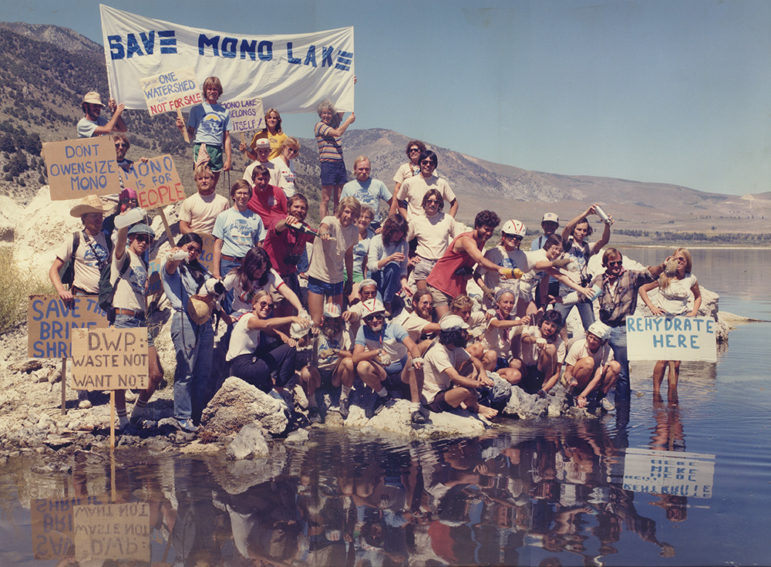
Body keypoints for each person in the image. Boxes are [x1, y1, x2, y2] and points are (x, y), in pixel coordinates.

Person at [49, 195, 112, 409]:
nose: (98, 220)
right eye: (94, 216)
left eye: (100, 216)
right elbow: (53, 269)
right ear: (84, 218)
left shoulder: (108, 239)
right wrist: (61, 291)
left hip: (102, 300)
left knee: (102, 345)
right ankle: (82, 392)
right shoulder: (74, 239)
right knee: (81, 346)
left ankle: (99, 386)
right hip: (82, 298)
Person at [592, 247, 666, 402]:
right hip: (603, 328)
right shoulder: (599, 279)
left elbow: (649, 274)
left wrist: (662, 267)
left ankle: (623, 410)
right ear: (606, 264)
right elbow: (587, 296)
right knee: (597, 365)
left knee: (623, 372)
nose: (617, 265)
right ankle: (596, 398)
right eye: (613, 263)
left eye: (619, 262)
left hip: (623, 329)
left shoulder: (631, 276)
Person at [111, 222, 163, 432]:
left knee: (156, 373)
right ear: (131, 239)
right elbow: (120, 242)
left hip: (142, 320)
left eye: (147, 239)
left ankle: (138, 410)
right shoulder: (123, 257)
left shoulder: (144, 262)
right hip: (124, 319)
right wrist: (125, 222)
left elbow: (148, 291)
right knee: (121, 375)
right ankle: (123, 420)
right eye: (139, 238)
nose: (143, 242)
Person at [161, 234, 216, 430]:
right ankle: (182, 416)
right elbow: (169, 268)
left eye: (197, 250)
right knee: (186, 370)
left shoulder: (201, 270)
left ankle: (197, 413)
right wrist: (176, 255)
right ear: (182, 246)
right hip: (184, 317)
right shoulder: (174, 265)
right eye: (189, 248)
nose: (193, 252)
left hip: (204, 319)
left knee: (203, 369)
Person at [638, 248, 701, 402]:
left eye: (682, 260)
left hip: (681, 323)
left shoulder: (690, 279)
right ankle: (656, 394)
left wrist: (693, 312)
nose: (678, 262)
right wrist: (652, 307)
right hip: (663, 322)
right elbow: (642, 289)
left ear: (687, 263)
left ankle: (673, 393)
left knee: (677, 361)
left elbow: (698, 297)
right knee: (663, 359)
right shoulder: (664, 276)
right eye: (676, 259)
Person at [425, 210, 510, 317]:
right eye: (486, 229)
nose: (489, 233)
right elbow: (480, 260)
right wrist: (499, 269)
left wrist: (484, 288)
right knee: (447, 324)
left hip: (456, 289)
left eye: (491, 231)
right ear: (477, 226)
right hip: (440, 286)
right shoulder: (467, 240)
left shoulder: (481, 241)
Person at [225, 290, 309, 395]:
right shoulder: (249, 319)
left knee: (277, 344)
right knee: (290, 349)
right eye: (263, 303)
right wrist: (292, 318)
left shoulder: (252, 320)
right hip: (245, 368)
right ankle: (279, 388)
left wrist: (286, 338)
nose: (266, 307)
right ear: (254, 304)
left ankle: (268, 383)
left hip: (237, 369)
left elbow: (271, 331)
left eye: (270, 306)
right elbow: (266, 325)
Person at [352, 298, 423, 418]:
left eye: (378, 316)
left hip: (402, 374)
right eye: (370, 318)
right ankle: (384, 396)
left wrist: (416, 357)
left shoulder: (394, 328)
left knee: (414, 361)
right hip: (383, 374)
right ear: (365, 320)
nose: (375, 320)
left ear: (383, 316)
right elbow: (355, 357)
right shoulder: (362, 331)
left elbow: (412, 345)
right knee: (362, 366)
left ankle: (416, 409)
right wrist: (376, 352)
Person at [421, 315, 498, 420]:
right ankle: (476, 407)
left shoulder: (453, 347)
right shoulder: (438, 352)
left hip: (446, 388)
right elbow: (455, 377)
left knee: (471, 367)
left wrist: (483, 374)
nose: (467, 334)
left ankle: (468, 403)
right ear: (454, 334)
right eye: (463, 331)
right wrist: (478, 384)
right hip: (433, 398)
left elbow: (474, 360)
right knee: (465, 392)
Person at [553, 205, 613, 334]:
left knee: (590, 327)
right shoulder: (565, 244)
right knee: (555, 323)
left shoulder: (587, 247)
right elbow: (567, 227)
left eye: (584, 230)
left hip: (583, 290)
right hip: (566, 289)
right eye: (579, 229)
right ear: (574, 230)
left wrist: (607, 225)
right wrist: (586, 213)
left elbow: (604, 241)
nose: (581, 233)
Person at [306, 196, 361, 325]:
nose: (349, 216)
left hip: (336, 279)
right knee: (316, 321)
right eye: (347, 211)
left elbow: (348, 255)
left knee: (334, 320)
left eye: (353, 213)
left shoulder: (353, 230)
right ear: (341, 210)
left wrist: (350, 279)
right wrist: (324, 233)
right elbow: (323, 227)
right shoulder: (330, 220)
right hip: (318, 276)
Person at [300, 303, 355, 422]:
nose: (332, 323)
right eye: (329, 319)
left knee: (349, 362)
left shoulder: (345, 332)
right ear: (323, 319)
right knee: (305, 372)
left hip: (336, 374)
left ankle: (344, 399)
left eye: (335, 320)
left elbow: (352, 355)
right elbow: (301, 344)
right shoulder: (316, 331)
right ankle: (313, 406)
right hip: (318, 374)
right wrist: (309, 335)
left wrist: (335, 351)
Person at [222, 246, 305, 321]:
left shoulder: (269, 273)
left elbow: (286, 291)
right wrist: (225, 316)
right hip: (240, 313)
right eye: (258, 269)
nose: (261, 272)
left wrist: (300, 309)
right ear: (250, 266)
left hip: (263, 313)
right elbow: (215, 295)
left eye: (264, 268)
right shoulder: (235, 275)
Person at [406, 189, 465, 291]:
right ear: (424, 203)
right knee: (424, 298)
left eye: (436, 202)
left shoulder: (448, 220)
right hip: (422, 263)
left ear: (440, 204)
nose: (432, 204)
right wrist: (408, 259)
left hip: (441, 264)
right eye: (429, 201)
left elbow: (459, 239)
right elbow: (403, 240)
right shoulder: (416, 221)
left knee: (438, 298)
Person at [262, 194, 317, 301]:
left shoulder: (304, 227)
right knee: (276, 305)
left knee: (293, 308)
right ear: (288, 208)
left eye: (303, 208)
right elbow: (277, 227)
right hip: (272, 274)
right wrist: (287, 223)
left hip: (290, 274)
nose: (299, 210)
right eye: (296, 207)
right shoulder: (279, 220)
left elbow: (317, 237)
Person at [177, 76, 232, 181]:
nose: (212, 91)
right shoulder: (196, 109)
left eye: (215, 89)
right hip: (201, 146)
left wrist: (228, 159)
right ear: (205, 91)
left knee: (213, 183)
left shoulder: (225, 112)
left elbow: (227, 137)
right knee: (201, 181)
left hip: (216, 149)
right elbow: (190, 135)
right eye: (209, 89)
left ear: (219, 91)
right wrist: (181, 128)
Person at [212, 180, 267, 281]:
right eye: (239, 193)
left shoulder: (256, 218)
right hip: (228, 263)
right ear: (233, 195)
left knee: (247, 295)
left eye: (245, 193)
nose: (242, 196)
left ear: (250, 196)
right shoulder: (223, 216)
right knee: (229, 295)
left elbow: (259, 245)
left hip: (248, 264)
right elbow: (218, 245)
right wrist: (216, 271)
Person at [563, 321, 620, 412]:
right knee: (589, 362)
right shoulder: (578, 345)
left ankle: (600, 397)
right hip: (577, 378)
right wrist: (570, 379)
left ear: (602, 342)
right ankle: (575, 393)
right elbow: (567, 371)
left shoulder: (608, 350)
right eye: (590, 337)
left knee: (616, 366)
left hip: (594, 379)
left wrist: (583, 395)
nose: (591, 341)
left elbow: (599, 375)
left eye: (595, 339)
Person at [314, 100, 356, 217]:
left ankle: (337, 223)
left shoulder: (334, 122)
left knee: (340, 198)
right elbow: (337, 133)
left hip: (339, 163)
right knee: (326, 198)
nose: (326, 115)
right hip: (328, 164)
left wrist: (349, 84)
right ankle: (324, 224)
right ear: (320, 114)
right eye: (324, 113)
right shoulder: (320, 126)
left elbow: (343, 106)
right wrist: (348, 121)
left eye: (329, 113)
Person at [480, 289, 531, 383]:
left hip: (503, 360)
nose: (508, 306)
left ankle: (494, 378)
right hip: (489, 358)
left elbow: (524, 335)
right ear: (498, 303)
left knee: (517, 371)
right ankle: (484, 376)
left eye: (511, 303)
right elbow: (498, 324)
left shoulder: (515, 319)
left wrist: (535, 339)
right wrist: (518, 322)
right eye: (505, 302)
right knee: (492, 354)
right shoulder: (492, 315)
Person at [390, 150, 458, 220]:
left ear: (435, 165)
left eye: (431, 163)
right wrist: (408, 219)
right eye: (425, 162)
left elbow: (454, 203)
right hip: (414, 227)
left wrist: (449, 221)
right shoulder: (409, 182)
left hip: (435, 226)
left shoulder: (442, 183)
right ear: (419, 164)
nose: (428, 165)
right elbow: (399, 201)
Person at [367, 214, 410, 312]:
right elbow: (371, 266)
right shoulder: (376, 240)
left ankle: (387, 301)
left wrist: (404, 283)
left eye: (401, 232)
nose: (399, 235)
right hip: (376, 277)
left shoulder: (404, 244)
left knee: (394, 266)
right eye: (396, 232)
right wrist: (389, 258)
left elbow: (403, 269)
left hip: (392, 279)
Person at [518, 310, 566, 395]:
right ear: (542, 322)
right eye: (547, 323)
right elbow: (524, 338)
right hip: (526, 370)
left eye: (553, 326)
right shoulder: (533, 330)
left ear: (557, 329)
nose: (549, 328)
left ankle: (544, 383)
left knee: (550, 348)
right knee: (515, 363)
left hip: (542, 374)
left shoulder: (559, 342)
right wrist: (536, 340)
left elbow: (557, 372)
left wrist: (545, 389)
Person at [340, 156, 393, 228]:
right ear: (355, 170)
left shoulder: (378, 184)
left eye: (367, 169)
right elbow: (341, 209)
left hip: (374, 225)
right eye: (361, 169)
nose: (364, 172)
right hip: (354, 225)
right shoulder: (348, 187)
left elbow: (393, 203)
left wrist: (386, 223)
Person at [178, 163, 229, 235]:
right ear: (196, 181)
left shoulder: (223, 202)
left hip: (215, 240)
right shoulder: (189, 202)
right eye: (200, 178)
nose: (203, 181)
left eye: (206, 178)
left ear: (212, 180)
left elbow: (226, 226)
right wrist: (198, 237)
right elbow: (183, 227)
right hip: (195, 240)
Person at [347, 205, 375, 302]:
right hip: (341, 271)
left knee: (356, 301)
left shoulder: (371, 236)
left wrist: (364, 279)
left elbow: (366, 262)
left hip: (356, 273)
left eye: (367, 217)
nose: (363, 220)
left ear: (371, 220)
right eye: (360, 216)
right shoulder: (347, 230)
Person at [247, 164, 287, 230]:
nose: (263, 182)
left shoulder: (277, 191)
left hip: (280, 228)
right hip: (262, 230)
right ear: (253, 180)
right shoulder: (249, 195)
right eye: (260, 179)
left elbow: (287, 211)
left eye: (266, 179)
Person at [531, 212, 560, 301]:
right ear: (542, 225)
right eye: (547, 224)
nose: (549, 227)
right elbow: (535, 262)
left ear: (556, 226)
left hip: (556, 282)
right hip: (541, 281)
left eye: (552, 224)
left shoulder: (560, 242)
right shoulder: (536, 242)